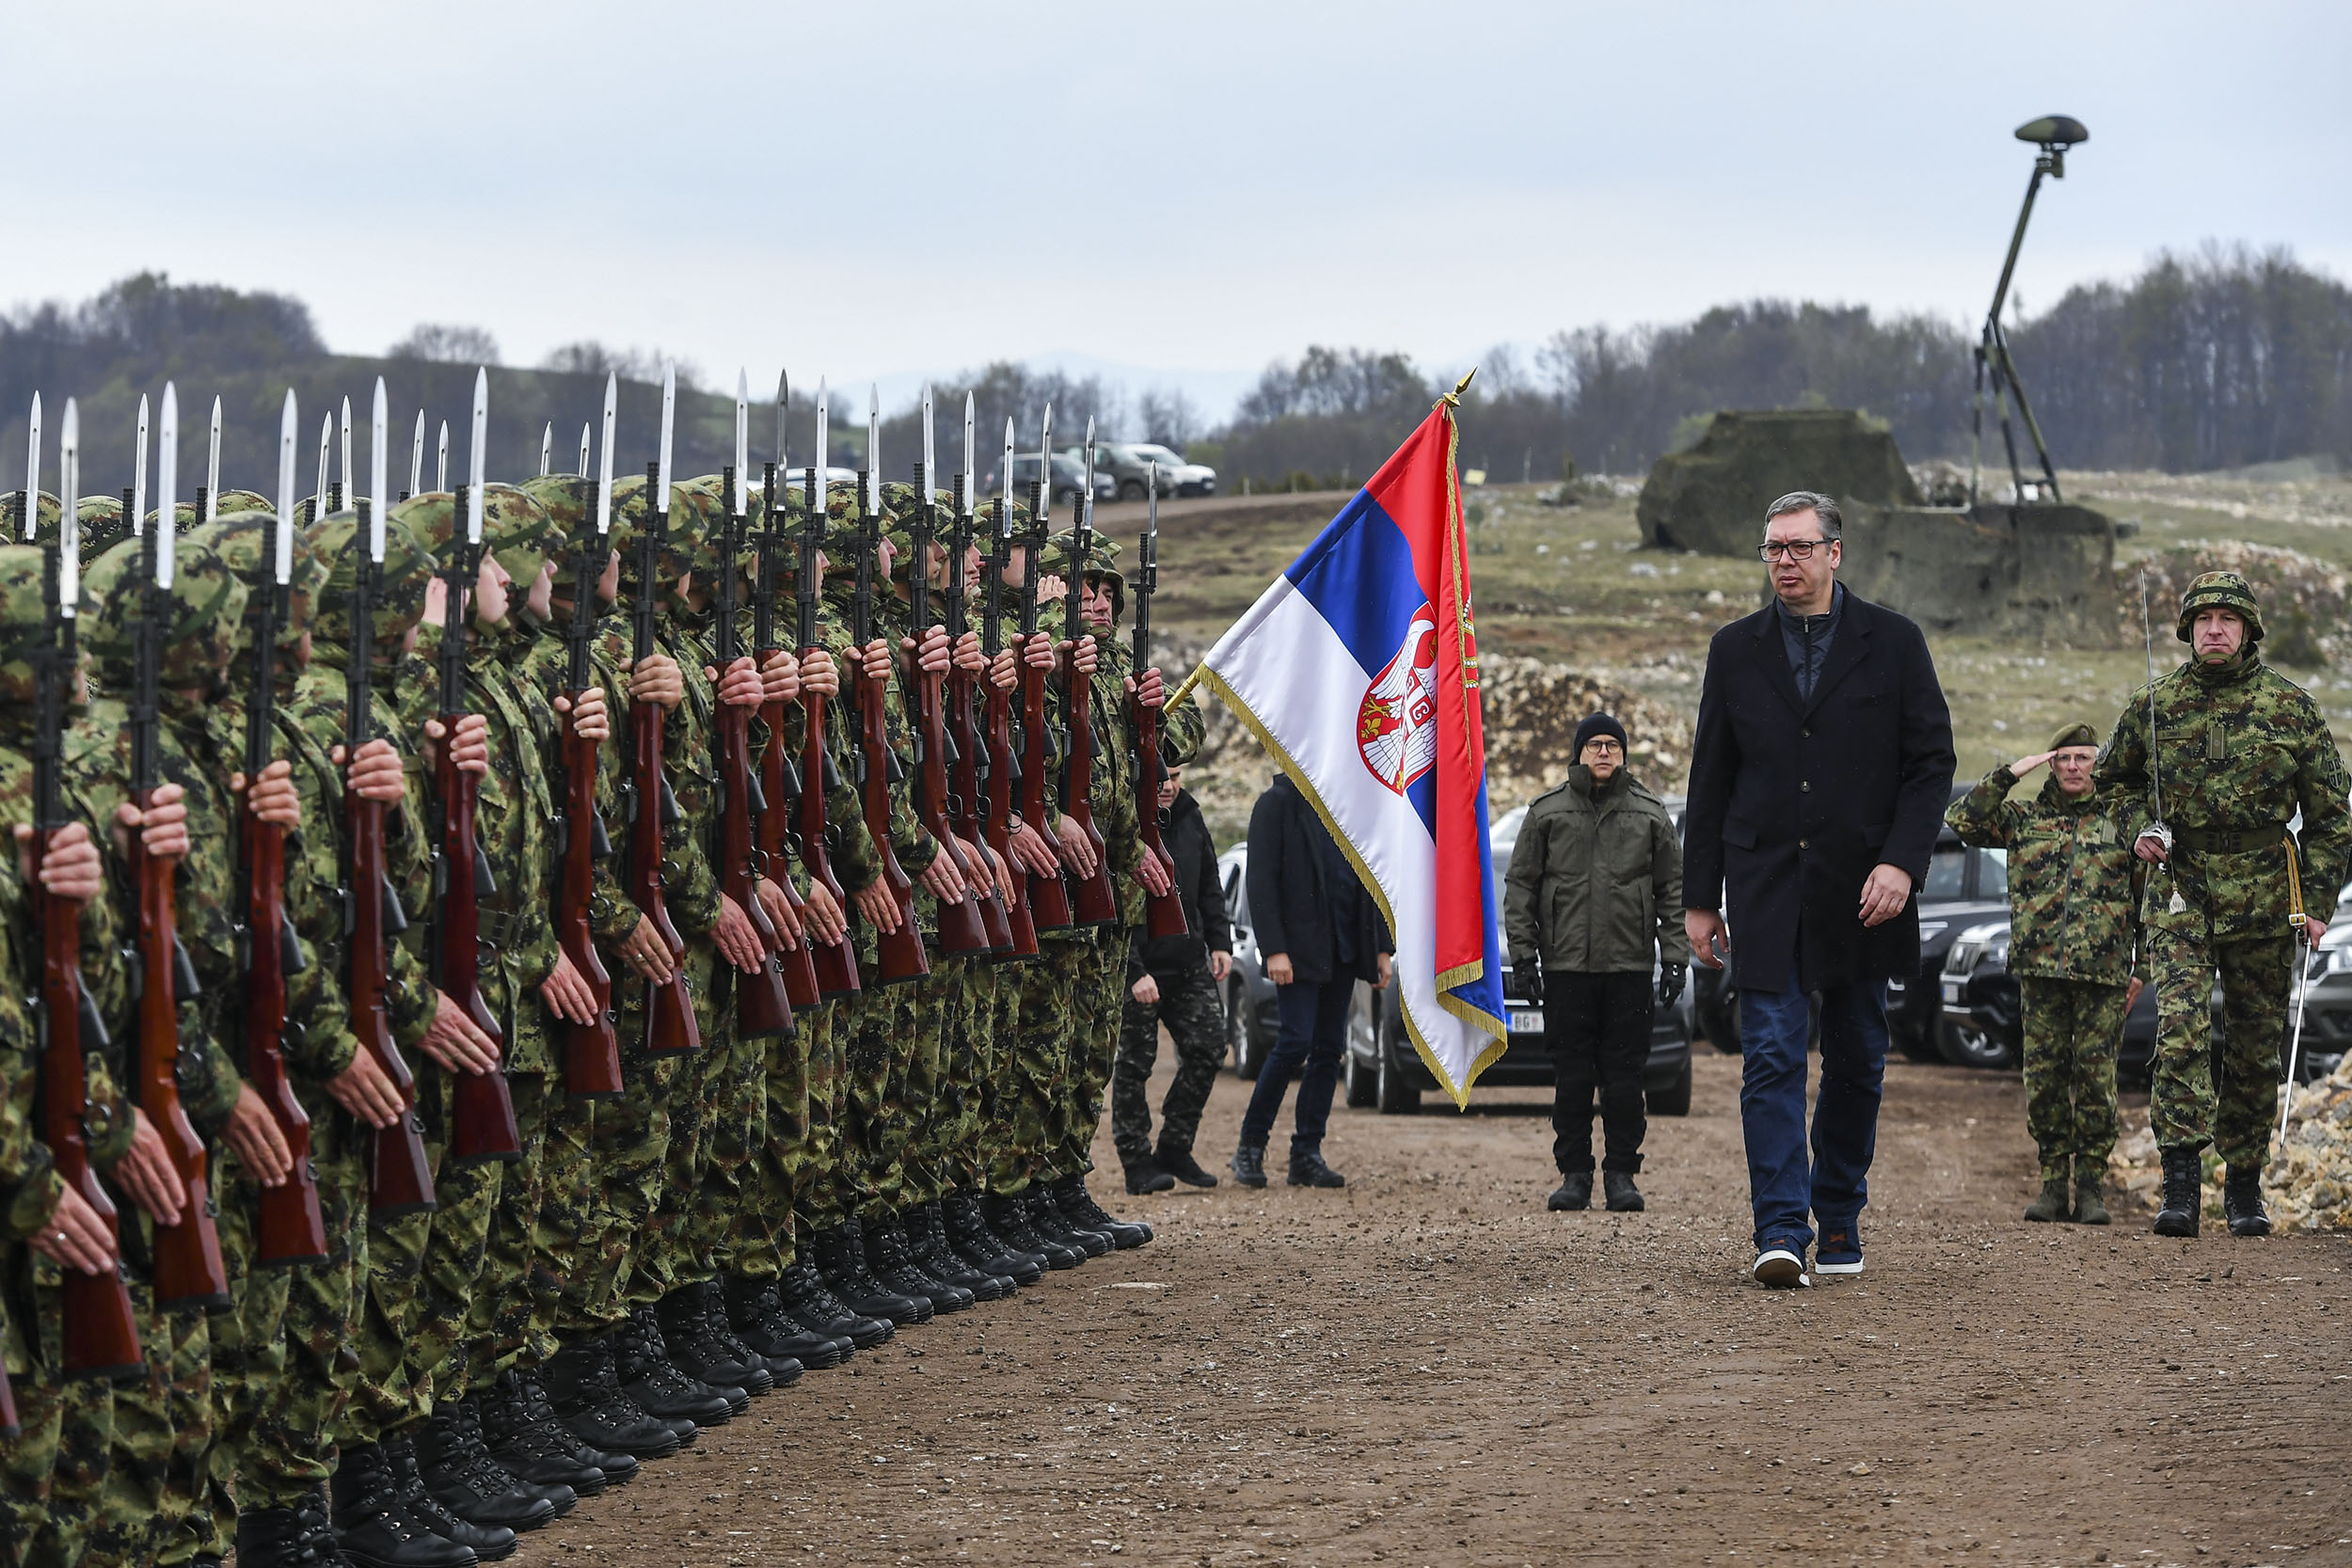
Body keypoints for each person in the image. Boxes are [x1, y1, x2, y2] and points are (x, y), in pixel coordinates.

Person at [1683, 490, 1954, 1289]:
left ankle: (1837, 1212)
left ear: (1836, 551)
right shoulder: (1735, 649)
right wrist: (1700, 898)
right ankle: (1778, 1228)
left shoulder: (1895, 643)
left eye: (1798, 548)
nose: (1784, 563)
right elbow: (1711, 778)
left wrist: (1903, 862)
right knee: (1768, 1055)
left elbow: (1930, 763)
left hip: (1865, 889)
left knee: (1859, 1059)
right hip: (1765, 884)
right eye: (1772, 549)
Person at [2094, 571, 2352, 1239]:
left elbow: (2331, 818)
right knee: (2179, 1032)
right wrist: (2135, 828)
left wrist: (2318, 901)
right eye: (2203, 618)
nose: (2214, 628)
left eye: (2227, 619)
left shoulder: (2291, 709)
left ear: (2248, 630)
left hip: (2268, 895)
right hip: (2182, 890)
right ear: (2185, 631)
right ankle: (2179, 1182)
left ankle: (2242, 1184)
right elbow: (2111, 782)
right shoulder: (2155, 705)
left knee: (2252, 1046)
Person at [1947, 723, 2142, 1225]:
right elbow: (1962, 821)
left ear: (2096, 763)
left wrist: (2140, 970)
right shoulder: (2025, 820)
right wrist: (2011, 773)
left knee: (2097, 1083)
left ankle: (2092, 1188)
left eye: (2083, 757)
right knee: (2046, 1081)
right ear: (2051, 764)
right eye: (2063, 758)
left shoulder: (2123, 824)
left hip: (2104, 976)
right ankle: (2054, 1184)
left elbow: (2149, 900)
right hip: (2040, 973)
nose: (2074, 767)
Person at [1504, 712, 1682, 1215]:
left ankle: (1622, 1174)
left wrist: (1674, 959)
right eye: (1594, 745)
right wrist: (1523, 957)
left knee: (1626, 1077)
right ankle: (1575, 1175)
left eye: (1612, 745)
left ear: (1623, 755)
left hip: (1628, 970)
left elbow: (1673, 891)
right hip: (1566, 970)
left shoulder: (1650, 814)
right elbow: (1521, 888)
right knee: (1573, 1077)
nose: (1604, 753)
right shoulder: (1547, 814)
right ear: (1579, 753)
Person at [1233, 773, 1392, 1189]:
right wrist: (1274, 949)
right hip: (1298, 951)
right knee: (1293, 1043)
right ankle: (1250, 1146)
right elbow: (1261, 880)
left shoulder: (1348, 806)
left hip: (1342, 949)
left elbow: (1370, 877)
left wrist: (1381, 948)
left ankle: (1307, 1152)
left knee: (1329, 1050)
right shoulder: (1276, 803)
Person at [1111, 763, 1234, 1194]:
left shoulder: (1189, 814)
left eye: (1177, 776)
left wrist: (1220, 942)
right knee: (1134, 1066)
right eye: (1161, 777)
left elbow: (1209, 885)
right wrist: (1133, 971)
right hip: (1140, 969)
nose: (1168, 786)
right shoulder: (1122, 820)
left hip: (1188, 961)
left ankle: (1175, 1146)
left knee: (1209, 1047)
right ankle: (1136, 1160)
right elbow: (1105, 900)